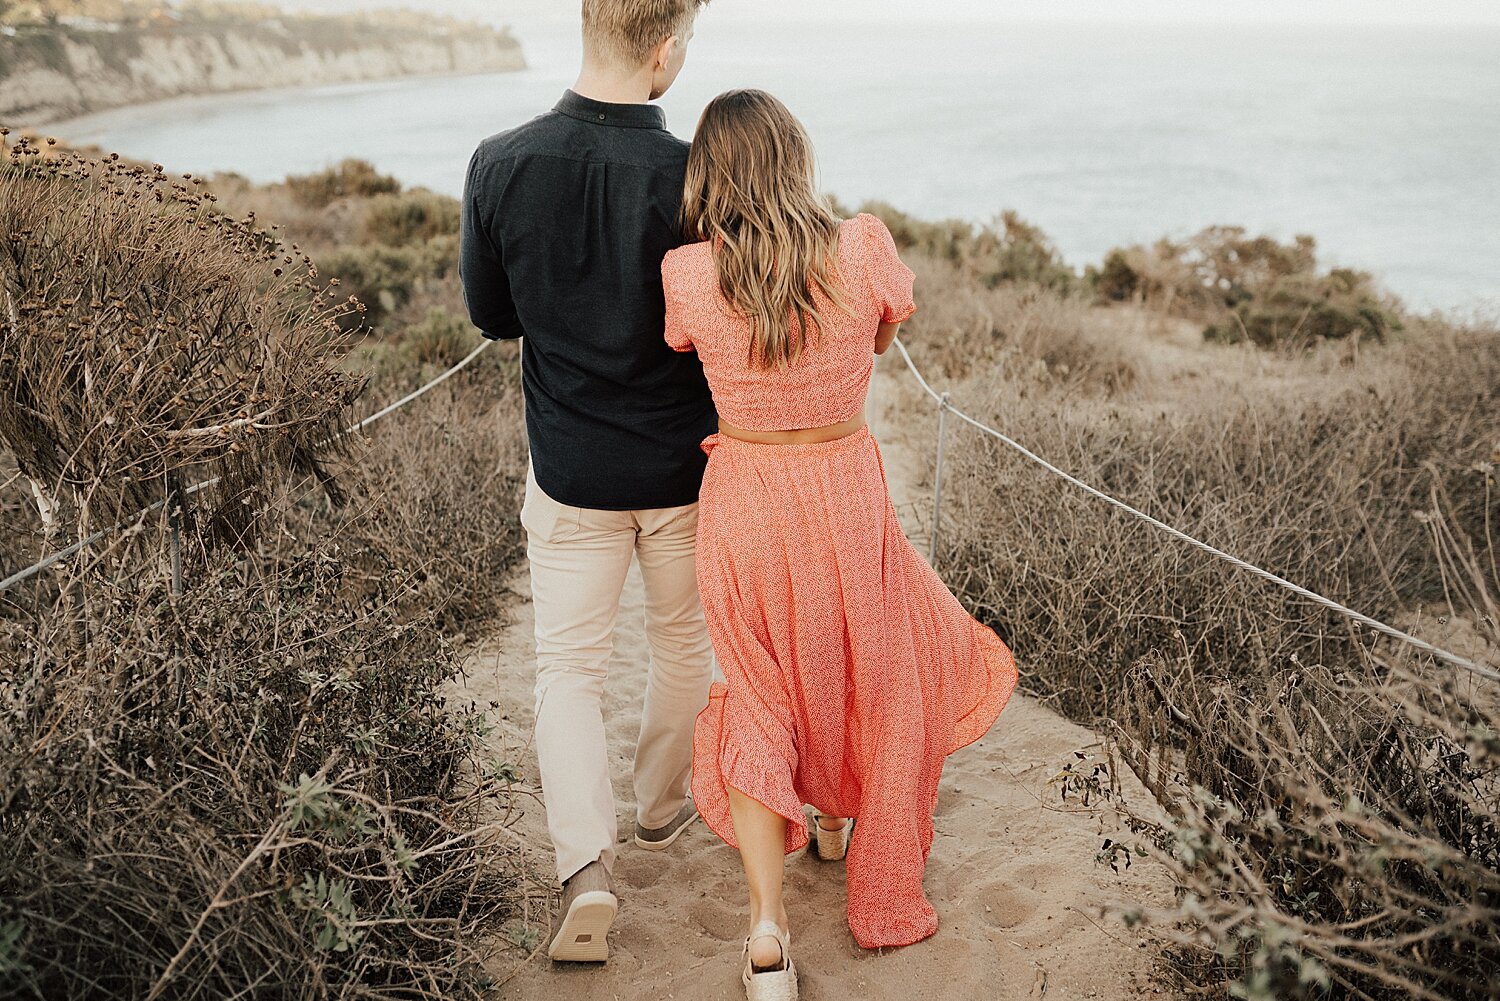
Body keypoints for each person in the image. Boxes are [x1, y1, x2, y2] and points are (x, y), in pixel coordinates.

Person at [662, 90, 1019, 999]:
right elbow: (889, 330)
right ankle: (864, 862)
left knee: (762, 687)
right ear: (796, 157)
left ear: (710, 173)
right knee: (871, 663)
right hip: (845, 490)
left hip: (743, 499)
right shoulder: (861, 245)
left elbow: (682, 346)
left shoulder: (689, 273)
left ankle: (768, 936)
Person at [458, 0, 717, 964]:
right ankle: (660, 807)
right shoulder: (700, 172)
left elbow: (493, 316)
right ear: (663, 47)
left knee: (568, 668)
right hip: (685, 467)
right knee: (684, 644)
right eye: (686, 43)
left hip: (570, 469)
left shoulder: (500, 161)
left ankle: (586, 872)